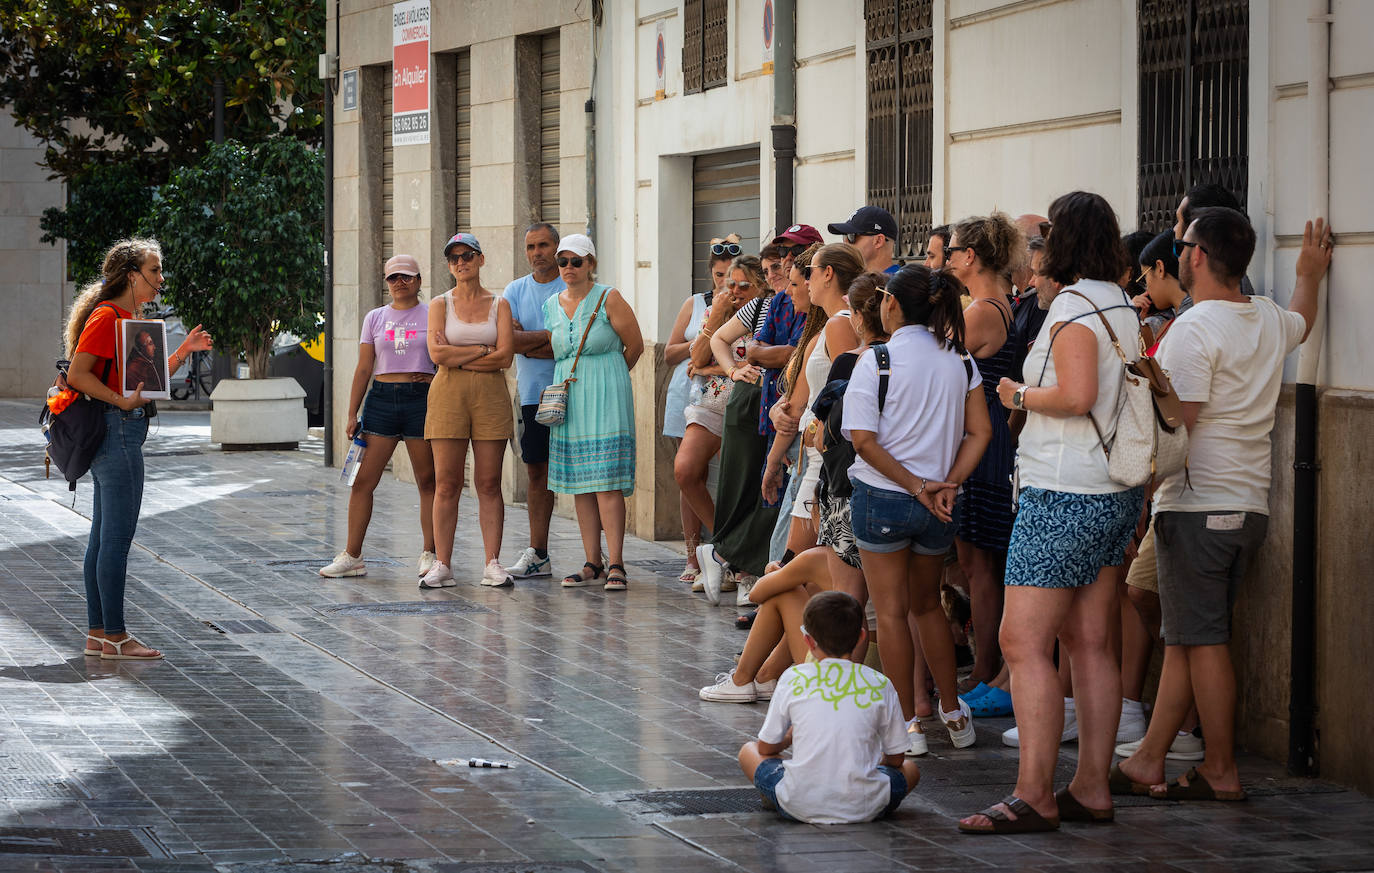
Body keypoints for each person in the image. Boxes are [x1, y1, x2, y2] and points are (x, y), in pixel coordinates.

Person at [1113, 213, 1333, 803]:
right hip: (1246, 507)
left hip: (1197, 507)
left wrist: (1136, 477)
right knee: (1191, 637)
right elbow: (1302, 320)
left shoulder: (1194, 328)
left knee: (1203, 642)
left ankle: (1220, 767)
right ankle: (1149, 759)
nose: (1178, 252)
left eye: (1183, 245)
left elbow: (1177, 425)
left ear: (1200, 256)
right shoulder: (1264, 316)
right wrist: (1309, 274)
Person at [960, 192, 1144, 834]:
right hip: (1111, 492)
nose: (1034, 252)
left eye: (1043, 240)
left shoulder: (1072, 309)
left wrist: (1019, 393)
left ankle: (1034, 792)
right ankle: (1091, 786)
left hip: (1063, 491)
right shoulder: (1119, 302)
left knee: (1023, 640)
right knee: (1091, 642)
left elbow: (1077, 394)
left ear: (1062, 245)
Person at [844, 264, 992, 755]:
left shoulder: (877, 359)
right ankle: (952, 713)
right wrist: (947, 483)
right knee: (927, 604)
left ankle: (908, 726)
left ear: (890, 304)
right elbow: (981, 432)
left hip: (884, 497)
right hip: (941, 505)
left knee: (889, 613)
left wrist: (917, 484)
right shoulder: (960, 360)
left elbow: (862, 440)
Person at [66, 238, 213, 660]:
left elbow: (141, 382)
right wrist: (120, 403)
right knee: (115, 540)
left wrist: (182, 352)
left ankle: (99, 634)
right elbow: (78, 374)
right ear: (132, 275)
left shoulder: (126, 319)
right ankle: (115, 634)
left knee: (102, 538)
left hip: (122, 430)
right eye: (154, 270)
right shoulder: (107, 317)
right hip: (117, 433)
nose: (160, 278)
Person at [697, 226, 817, 601]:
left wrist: (763, 354)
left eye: (783, 263)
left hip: (784, 408)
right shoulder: (769, 305)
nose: (778, 270)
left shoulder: (810, 305)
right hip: (758, 404)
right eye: (769, 268)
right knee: (753, 490)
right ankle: (741, 566)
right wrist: (736, 368)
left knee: (774, 496)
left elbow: (791, 355)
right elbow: (727, 345)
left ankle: (735, 563)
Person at [738, 591, 922, 824]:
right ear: (861, 637)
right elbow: (896, 758)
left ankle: (785, 792)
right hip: (865, 805)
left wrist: (788, 739)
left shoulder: (793, 676)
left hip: (797, 802)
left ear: (808, 641)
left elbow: (765, 747)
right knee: (911, 769)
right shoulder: (880, 682)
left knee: (748, 751)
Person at [944, 214, 1024, 693]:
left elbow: (936, 364)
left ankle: (983, 670)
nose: (949, 260)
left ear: (970, 256)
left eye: (952, 252)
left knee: (980, 565)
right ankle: (985, 667)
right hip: (993, 435)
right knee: (980, 564)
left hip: (985, 440)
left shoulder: (981, 311)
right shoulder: (999, 304)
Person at [320, 254, 437, 579]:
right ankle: (352, 555)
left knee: (428, 481)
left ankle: (430, 553)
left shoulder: (433, 313)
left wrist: (433, 378)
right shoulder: (375, 318)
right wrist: (350, 412)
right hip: (381, 401)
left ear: (418, 281)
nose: (400, 282)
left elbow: (446, 356)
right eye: (393, 277)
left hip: (421, 402)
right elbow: (363, 367)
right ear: (385, 282)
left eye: (407, 276)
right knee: (362, 480)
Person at [544, 234, 644, 591]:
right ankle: (592, 562)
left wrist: (611, 377)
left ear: (591, 264)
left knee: (607, 481)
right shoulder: (551, 304)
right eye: (563, 262)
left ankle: (616, 562)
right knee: (580, 483)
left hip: (606, 393)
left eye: (576, 261)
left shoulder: (608, 297)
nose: (568, 268)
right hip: (570, 397)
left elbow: (635, 345)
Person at [423, 233, 515, 589]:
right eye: (453, 258)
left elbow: (505, 356)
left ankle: (492, 561)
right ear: (449, 266)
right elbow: (437, 355)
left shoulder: (500, 304)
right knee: (447, 482)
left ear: (480, 259)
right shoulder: (439, 304)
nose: (460, 262)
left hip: (491, 395)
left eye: (467, 255)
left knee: (489, 482)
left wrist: (462, 355)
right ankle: (442, 562)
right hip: (447, 392)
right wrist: (481, 350)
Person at [762, 243, 863, 567]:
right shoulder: (827, 328)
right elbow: (798, 399)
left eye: (811, 274)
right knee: (795, 562)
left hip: (825, 459)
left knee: (793, 564)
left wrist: (816, 430)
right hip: (813, 459)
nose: (806, 282)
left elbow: (848, 395)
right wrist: (774, 461)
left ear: (828, 275)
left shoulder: (840, 325)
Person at [675, 255, 768, 588]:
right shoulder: (719, 312)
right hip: (712, 401)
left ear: (761, 284)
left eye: (745, 285)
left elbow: (754, 365)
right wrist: (715, 317)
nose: (737, 290)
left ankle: (737, 556)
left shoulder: (765, 312)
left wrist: (709, 368)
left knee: (738, 484)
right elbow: (696, 358)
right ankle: (725, 548)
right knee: (685, 470)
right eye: (731, 284)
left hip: (746, 405)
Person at [666, 237, 740, 583]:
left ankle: (728, 550)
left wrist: (709, 363)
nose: (725, 282)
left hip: (725, 392)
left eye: (731, 275)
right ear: (711, 273)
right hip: (690, 394)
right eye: (719, 274)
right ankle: (693, 556)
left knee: (727, 474)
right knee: (688, 474)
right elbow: (670, 353)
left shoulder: (753, 306)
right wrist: (703, 343)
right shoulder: (697, 304)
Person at [501, 223, 564, 581]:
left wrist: (531, 338)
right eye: (530, 247)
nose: (537, 252)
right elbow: (509, 341)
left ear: (556, 248)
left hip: (573, 391)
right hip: (532, 396)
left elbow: (566, 343)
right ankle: (539, 553)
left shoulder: (571, 285)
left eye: (543, 245)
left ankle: (596, 552)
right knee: (537, 472)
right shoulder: (515, 290)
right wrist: (550, 339)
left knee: (585, 474)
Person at [828, 206, 901, 274]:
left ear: (878, 241)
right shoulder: (853, 282)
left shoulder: (903, 285)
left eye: (851, 236)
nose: (845, 243)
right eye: (844, 236)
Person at [124, 329, 165, 393]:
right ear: (141, 348)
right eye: (150, 344)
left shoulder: (149, 363)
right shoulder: (134, 369)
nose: (154, 347)